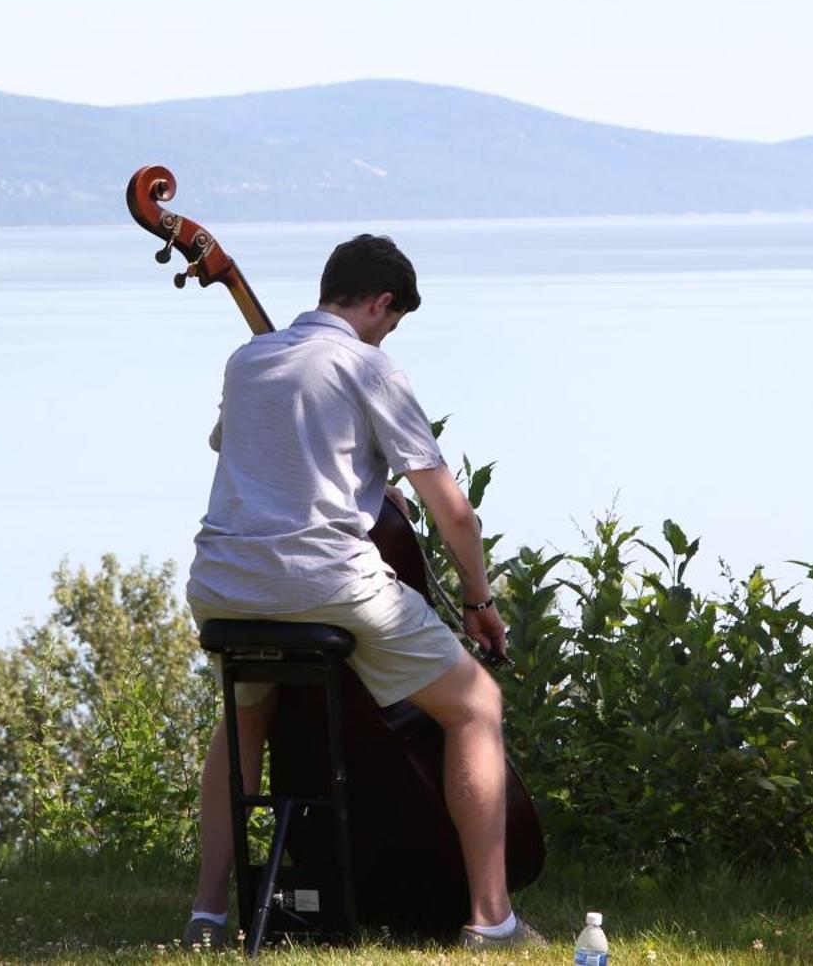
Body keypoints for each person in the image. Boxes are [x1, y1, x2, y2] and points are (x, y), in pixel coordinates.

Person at [180, 233, 543, 952]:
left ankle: (208, 913)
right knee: (476, 706)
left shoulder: (248, 359)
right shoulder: (370, 366)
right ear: (380, 302)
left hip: (221, 585)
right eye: (392, 318)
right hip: (326, 582)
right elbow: (454, 512)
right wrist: (479, 599)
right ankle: (491, 919)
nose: (388, 332)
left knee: (244, 719)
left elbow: (255, 453)